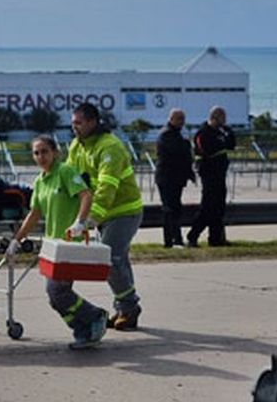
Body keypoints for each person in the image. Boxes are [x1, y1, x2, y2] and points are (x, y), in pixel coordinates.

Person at [8, 134, 107, 350]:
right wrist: (17, 239)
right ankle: (83, 331)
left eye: (45, 151)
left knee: (57, 291)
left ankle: (95, 316)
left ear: (55, 153)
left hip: (71, 243)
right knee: (55, 296)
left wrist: (80, 222)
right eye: (36, 152)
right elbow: (34, 214)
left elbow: (86, 195)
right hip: (54, 246)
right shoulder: (40, 181)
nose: (41, 156)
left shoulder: (65, 172)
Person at [67, 101, 144, 331]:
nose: (75, 127)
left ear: (93, 122)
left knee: (110, 259)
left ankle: (129, 307)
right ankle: (125, 310)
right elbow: (72, 180)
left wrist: (89, 220)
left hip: (124, 211)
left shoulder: (110, 147)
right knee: (119, 260)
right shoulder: (76, 146)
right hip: (105, 214)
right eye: (73, 123)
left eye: (79, 123)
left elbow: (106, 188)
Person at [187, 105, 236, 248]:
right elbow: (208, 150)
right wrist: (222, 144)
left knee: (219, 208)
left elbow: (231, 144)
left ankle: (215, 238)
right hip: (209, 174)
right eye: (223, 118)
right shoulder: (203, 133)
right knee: (208, 207)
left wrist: (227, 135)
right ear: (215, 117)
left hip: (220, 174)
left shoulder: (221, 131)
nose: (225, 121)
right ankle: (193, 235)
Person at [154, 108, 195, 248]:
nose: (181, 122)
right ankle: (171, 240)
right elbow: (176, 153)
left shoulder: (176, 134)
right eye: (178, 119)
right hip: (167, 178)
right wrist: (186, 145)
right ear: (171, 119)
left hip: (175, 178)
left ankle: (176, 239)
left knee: (175, 208)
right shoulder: (166, 134)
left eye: (182, 119)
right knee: (169, 209)